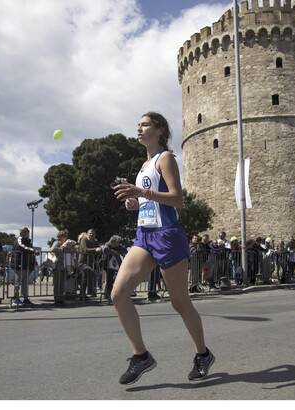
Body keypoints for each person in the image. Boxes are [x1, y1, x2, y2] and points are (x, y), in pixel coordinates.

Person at [112, 112, 214, 385]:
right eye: (138, 125)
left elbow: (177, 199)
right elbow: (150, 202)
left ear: (159, 130)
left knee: (180, 303)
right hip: (144, 236)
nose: (139, 128)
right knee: (118, 293)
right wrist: (135, 204)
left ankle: (202, 354)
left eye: (145, 124)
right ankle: (141, 355)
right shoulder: (143, 166)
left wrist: (142, 193)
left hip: (168, 236)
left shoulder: (165, 158)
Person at [10, 226, 39, 307]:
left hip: (26, 264)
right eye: (25, 231)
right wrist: (32, 250)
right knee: (17, 282)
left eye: (27, 231)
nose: (27, 233)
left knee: (25, 283)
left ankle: (25, 298)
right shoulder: (19, 239)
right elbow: (22, 247)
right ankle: (16, 298)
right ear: (21, 232)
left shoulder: (28, 241)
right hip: (19, 264)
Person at [50, 230, 77, 306]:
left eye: (66, 236)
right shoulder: (57, 243)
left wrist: (70, 246)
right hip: (57, 265)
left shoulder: (68, 244)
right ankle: (57, 300)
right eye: (64, 236)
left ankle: (61, 298)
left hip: (65, 266)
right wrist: (62, 249)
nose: (66, 237)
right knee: (57, 283)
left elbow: (74, 250)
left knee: (62, 284)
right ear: (60, 237)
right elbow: (52, 249)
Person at [101, 235, 128, 304]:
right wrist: (112, 252)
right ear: (114, 242)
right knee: (109, 280)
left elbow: (125, 250)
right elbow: (105, 249)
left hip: (115, 265)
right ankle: (109, 295)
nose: (119, 244)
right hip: (108, 265)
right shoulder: (108, 244)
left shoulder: (118, 246)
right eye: (118, 242)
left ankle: (108, 294)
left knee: (115, 279)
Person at [78, 229, 102, 298]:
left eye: (93, 234)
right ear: (87, 234)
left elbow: (99, 248)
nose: (92, 235)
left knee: (87, 277)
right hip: (82, 262)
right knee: (89, 272)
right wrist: (95, 249)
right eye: (90, 233)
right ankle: (85, 292)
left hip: (90, 262)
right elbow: (85, 249)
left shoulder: (95, 241)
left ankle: (85, 293)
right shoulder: (84, 239)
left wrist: (100, 250)